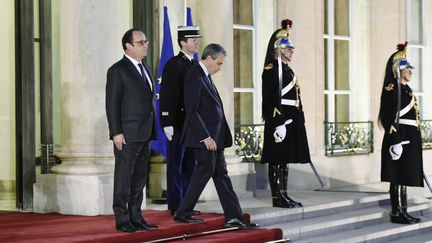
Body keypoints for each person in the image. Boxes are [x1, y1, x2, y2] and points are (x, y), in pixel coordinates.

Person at [173, 43, 258, 228]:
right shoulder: (194, 75)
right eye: (219, 63)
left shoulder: (205, 76)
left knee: (221, 175)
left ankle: (234, 217)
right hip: (206, 139)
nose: (220, 68)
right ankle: (183, 211)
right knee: (204, 172)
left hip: (215, 138)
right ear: (209, 58)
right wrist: (205, 137)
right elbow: (192, 110)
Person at [105, 28, 158, 233]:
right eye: (141, 42)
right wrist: (116, 132)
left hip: (145, 133)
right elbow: (112, 103)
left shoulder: (145, 68)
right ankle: (122, 218)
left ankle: (136, 216)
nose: (146, 44)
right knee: (124, 178)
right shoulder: (117, 70)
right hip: (126, 134)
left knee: (139, 179)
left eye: (146, 41)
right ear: (128, 46)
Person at [261, 19, 311, 208]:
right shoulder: (272, 70)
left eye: (291, 49)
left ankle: (284, 194)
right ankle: (277, 197)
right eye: (287, 48)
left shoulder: (287, 69)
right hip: (280, 119)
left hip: (291, 117)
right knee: (277, 158)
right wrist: (278, 121)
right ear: (277, 49)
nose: (291, 51)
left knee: (285, 159)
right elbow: (271, 98)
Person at [378, 42, 423, 224]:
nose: (410, 71)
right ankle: (397, 212)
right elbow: (389, 116)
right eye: (406, 69)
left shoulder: (406, 89)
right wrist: (395, 139)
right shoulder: (393, 88)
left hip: (409, 135)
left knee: (404, 176)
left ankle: (403, 210)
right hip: (399, 136)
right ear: (398, 69)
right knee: (397, 176)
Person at [159, 26, 201, 215]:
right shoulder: (174, 64)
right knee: (175, 164)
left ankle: (187, 205)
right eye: (193, 39)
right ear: (183, 42)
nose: (197, 42)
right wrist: (166, 122)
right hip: (176, 123)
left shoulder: (194, 64)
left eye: (197, 39)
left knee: (189, 165)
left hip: (190, 124)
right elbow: (166, 95)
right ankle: (176, 206)